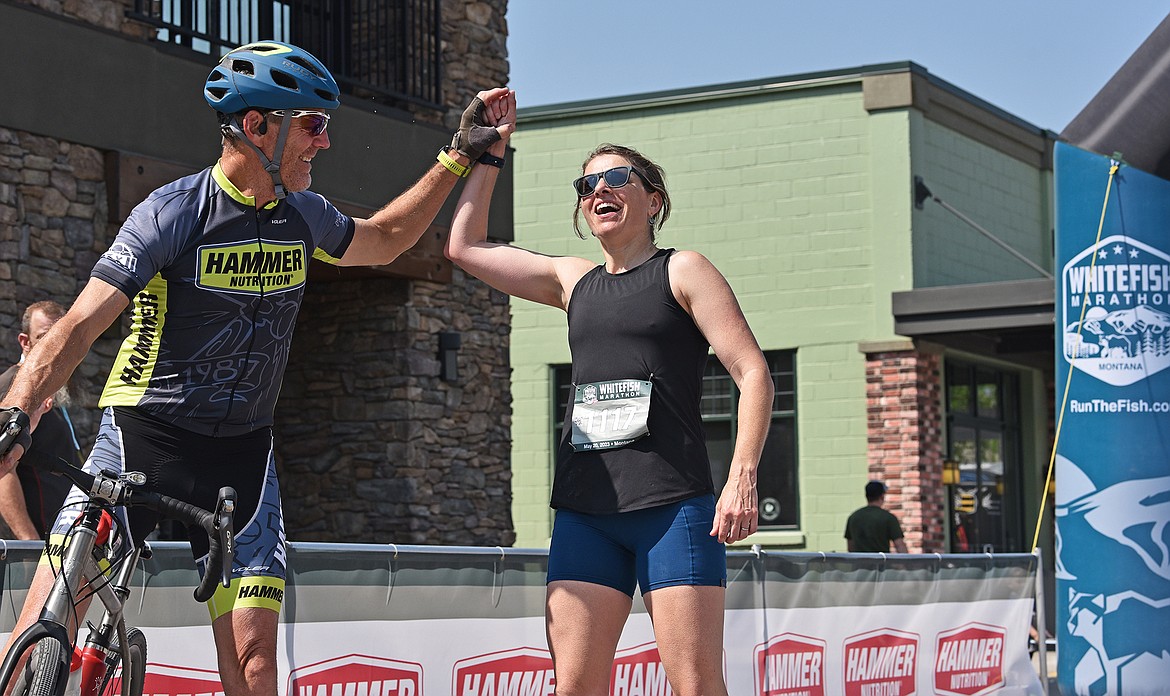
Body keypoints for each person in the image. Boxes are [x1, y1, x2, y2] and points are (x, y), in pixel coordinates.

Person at [0, 41, 512, 696]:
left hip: (241, 461)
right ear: (257, 126)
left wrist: (456, 156)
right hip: (140, 439)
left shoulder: (305, 215)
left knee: (255, 666)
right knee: (44, 624)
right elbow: (76, 325)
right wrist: (18, 411)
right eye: (313, 125)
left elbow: (386, 239)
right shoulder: (172, 212)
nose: (323, 143)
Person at [446, 94, 774, 696]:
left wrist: (742, 474)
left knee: (696, 685)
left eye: (618, 177)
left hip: (672, 509)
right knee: (574, 687)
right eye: (588, 182)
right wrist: (484, 155)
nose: (602, 187)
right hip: (586, 512)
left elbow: (753, 372)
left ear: (653, 199)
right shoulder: (573, 282)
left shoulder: (685, 270)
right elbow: (464, 248)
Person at [0, 301, 80, 539]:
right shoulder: (15, 388)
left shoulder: (48, 387)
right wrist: (29, 543)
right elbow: (3, 470)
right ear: (25, 342)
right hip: (29, 549)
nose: (56, 346)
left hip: (57, 539)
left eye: (62, 336)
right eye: (45, 337)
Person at [844, 480, 909, 553]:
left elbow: (850, 547)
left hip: (860, 563)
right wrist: (908, 563)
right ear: (882, 496)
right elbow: (899, 545)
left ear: (866, 496)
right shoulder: (888, 518)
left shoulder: (853, 517)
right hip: (881, 562)